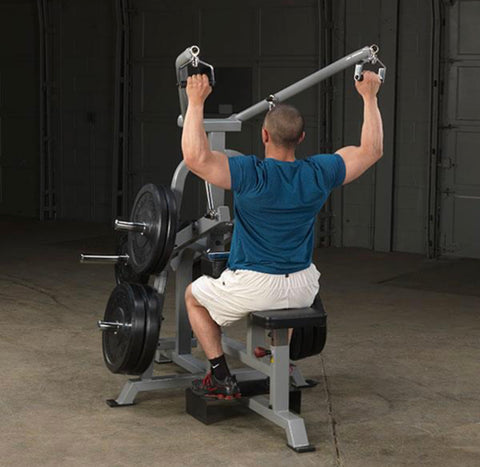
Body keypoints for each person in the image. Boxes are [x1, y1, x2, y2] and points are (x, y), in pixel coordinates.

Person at [181, 71, 383, 399]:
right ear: (301, 138)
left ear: (264, 135)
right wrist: (369, 97)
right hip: (303, 288)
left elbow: (195, 158)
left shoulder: (250, 173)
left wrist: (195, 102)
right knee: (287, 296)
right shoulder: (319, 172)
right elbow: (371, 150)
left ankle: (219, 375)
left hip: (255, 286)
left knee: (193, 296)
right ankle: (278, 359)